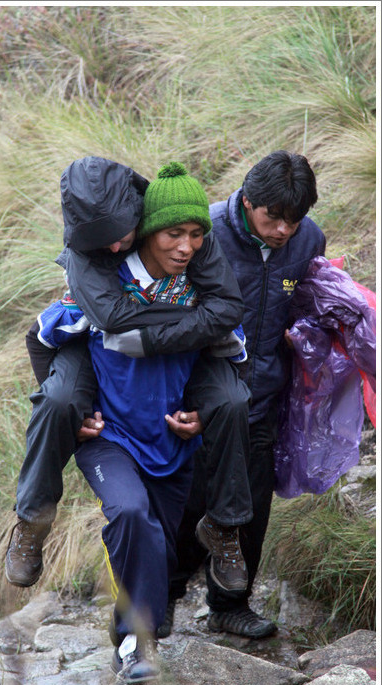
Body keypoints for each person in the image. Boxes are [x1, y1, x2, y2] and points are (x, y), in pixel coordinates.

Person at [6, 157, 252, 613]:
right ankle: (32, 522)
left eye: (121, 234)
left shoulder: (181, 227)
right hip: (100, 342)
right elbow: (109, 320)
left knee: (234, 401)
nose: (116, 247)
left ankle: (221, 529)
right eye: (102, 242)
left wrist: (159, 334)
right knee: (59, 400)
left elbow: (228, 311)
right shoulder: (88, 248)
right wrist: (76, 411)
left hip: (187, 350)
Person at [168, 150, 327, 639]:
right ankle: (160, 601)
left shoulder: (309, 240)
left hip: (264, 397)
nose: (283, 230)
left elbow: (308, 300)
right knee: (190, 504)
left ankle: (230, 606)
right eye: (272, 217)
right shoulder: (204, 233)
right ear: (247, 201)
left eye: (293, 221)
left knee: (252, 504)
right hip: (201, 399)